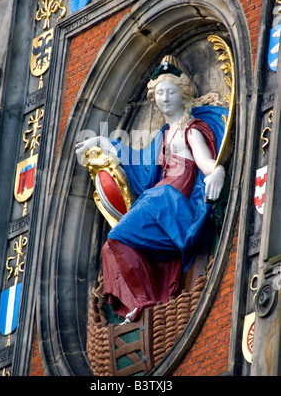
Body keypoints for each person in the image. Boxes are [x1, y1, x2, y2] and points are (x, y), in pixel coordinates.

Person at [76, 58, 228, 322]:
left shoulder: (190, 131)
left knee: (118, 237)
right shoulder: (163, 136)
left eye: (171, 92)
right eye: (160, 93)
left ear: (183, 95)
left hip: (171, 203)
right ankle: (144, 300)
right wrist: (104, 142)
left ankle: (144, 300)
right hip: (157, 200)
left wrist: (218, 172)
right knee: (111, 247)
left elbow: (207, 164)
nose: (165, 98)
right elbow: (142, 166)